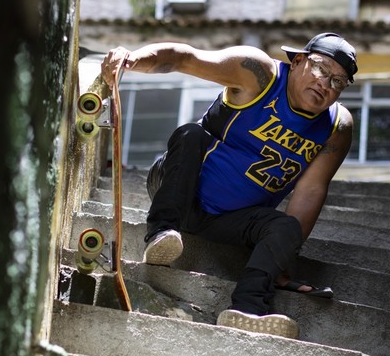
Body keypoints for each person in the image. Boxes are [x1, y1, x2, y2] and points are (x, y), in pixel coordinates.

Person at [101, 33, 356, 338]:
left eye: (338, 82)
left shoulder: (337, 126)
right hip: (180, 190)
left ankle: (248, 309)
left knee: (286, 227)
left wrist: (281, 260)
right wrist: (131, 60)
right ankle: (160, 232)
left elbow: (311, 190)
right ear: (299, 60)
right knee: (190, 134)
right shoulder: (258, 74)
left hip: (232, 222)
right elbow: (185, 57)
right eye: (321, 70)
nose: (326, 84)